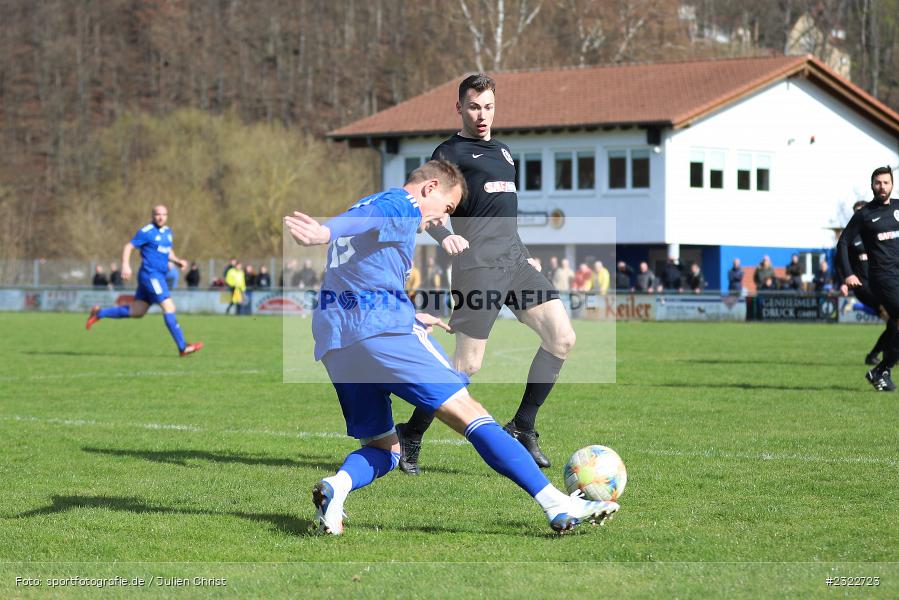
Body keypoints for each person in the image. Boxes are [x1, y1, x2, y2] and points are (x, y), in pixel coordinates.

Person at [284, 159, 619, 535]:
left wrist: (410, 315)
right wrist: (323, 232)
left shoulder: (369, 202)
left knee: (385, 450)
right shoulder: (401, 203)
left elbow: (360, 268)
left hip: (336, 342)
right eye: (446, 208)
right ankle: (558, 505)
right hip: (380, 331)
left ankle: (337, 488)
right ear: (429, 188)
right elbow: (371, 219)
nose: (440, 220)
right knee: (471, 414)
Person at [399, 74, 578, 473]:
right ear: (460, 107)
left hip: (515, 261)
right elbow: (422, 204)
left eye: (489, 107)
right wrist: (444, 235)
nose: (482, 115)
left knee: (562, 337)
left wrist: (527, 255)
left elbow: (503, 213)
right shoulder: (449, 153)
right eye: (475, 106)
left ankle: (523, 427)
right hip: (477, 265)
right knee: (465, 367)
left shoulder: (504, 150)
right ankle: (411, 432)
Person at [85, 205, 203, 356]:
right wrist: (126, 265)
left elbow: (167, 250)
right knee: (169, 307)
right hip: (151, 275)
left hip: (158, 275)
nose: (161, 217)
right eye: (157, 214)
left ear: (167, 216)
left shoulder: (168, 232)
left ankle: (100, 313)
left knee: (138, 311)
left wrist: (177, 260)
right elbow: (128, 247)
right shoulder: (147, 232)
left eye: (164, 214)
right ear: (153, 216)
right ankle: (183, 347)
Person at [837, 166, 899, 391]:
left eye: (886, 182)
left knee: (895, 326)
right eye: (878, 183)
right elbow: (843, 243)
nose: (882, 187)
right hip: (882, 278)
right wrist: (848, 274)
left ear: (892, 185)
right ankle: (881, 369)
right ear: (872, 185)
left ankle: (880, 370)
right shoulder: (864, 215)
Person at [836, 199, 893, 367]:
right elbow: (840, 260)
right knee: (894, 320)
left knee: (893, 324)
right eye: (857, 212)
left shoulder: (876, 233)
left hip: (880, 283)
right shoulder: (851, 238)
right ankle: (884, 355)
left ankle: (876, 355)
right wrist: (844, 280)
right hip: (864, 288)